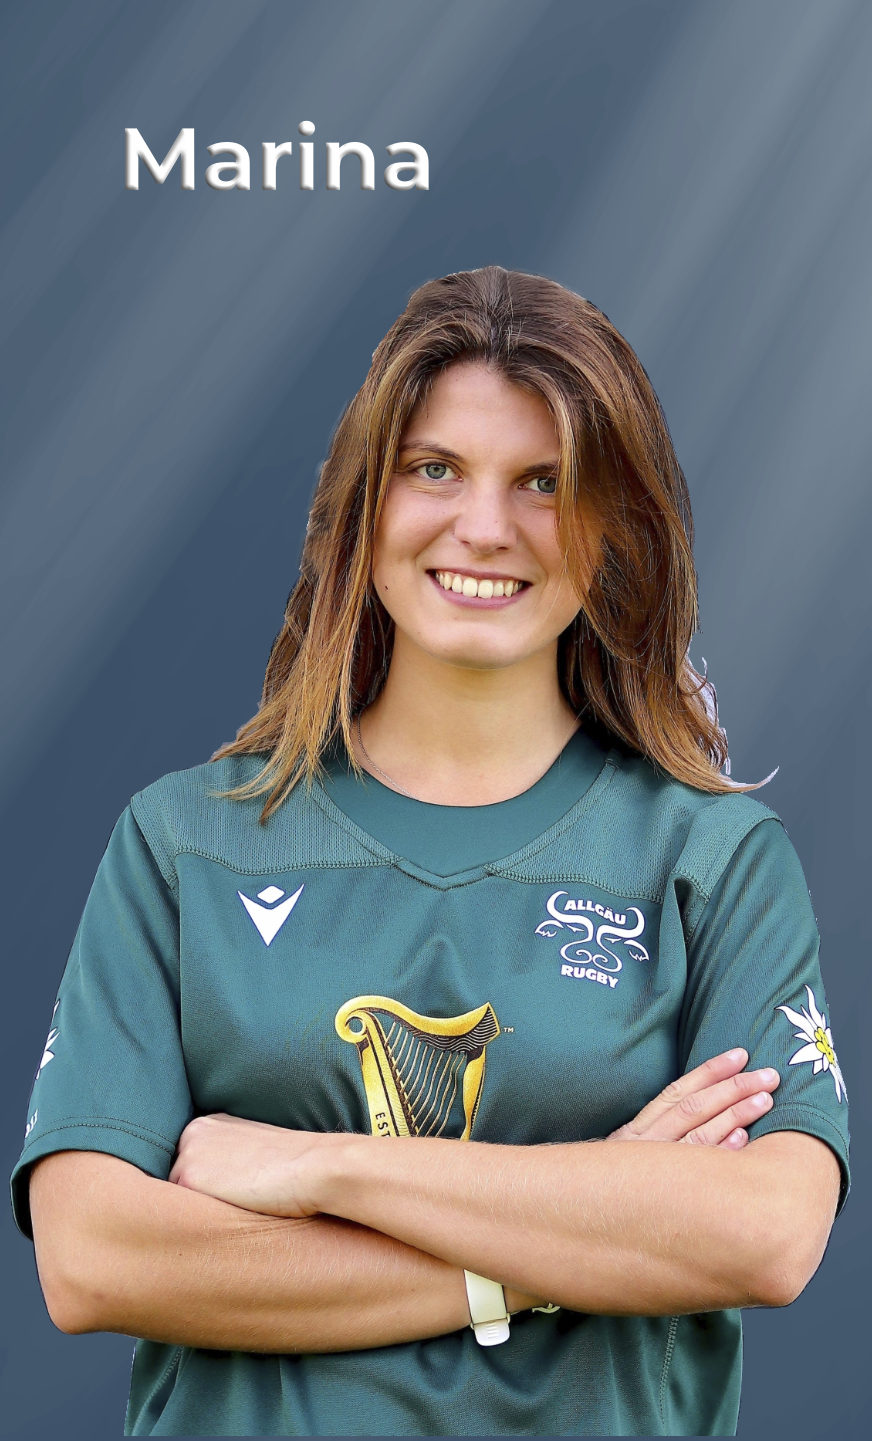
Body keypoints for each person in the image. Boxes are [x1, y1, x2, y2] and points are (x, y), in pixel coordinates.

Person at [13, 267, 848, 1438]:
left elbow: (763, 1235)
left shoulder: (714, 860)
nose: (484, 527)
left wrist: (321, 1169)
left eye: (544, 482)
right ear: (365, 502)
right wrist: (590, 1222)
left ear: (613, 526)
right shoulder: (183, 842)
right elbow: (94, 1260)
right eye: (434, 468)